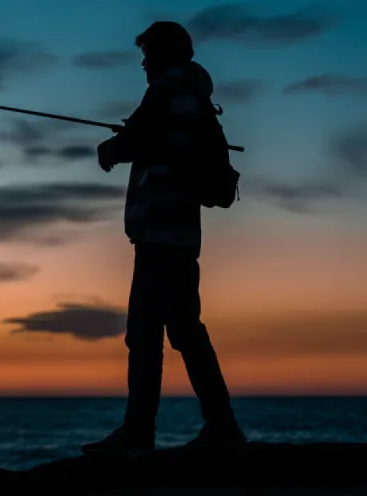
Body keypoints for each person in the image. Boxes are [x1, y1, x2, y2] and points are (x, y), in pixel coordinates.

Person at [82, 21, 247, 454]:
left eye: (146, 53)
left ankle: (138, 435)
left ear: (161, 52)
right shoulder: (195, 95)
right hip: (182, 232)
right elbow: (158, 137)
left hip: (160, 231)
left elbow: (137, 138)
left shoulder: (166, 89)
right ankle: (222, 427)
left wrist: (110, 149)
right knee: (186, 330)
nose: (142, 63)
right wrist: (134, 138)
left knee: (144, 333)